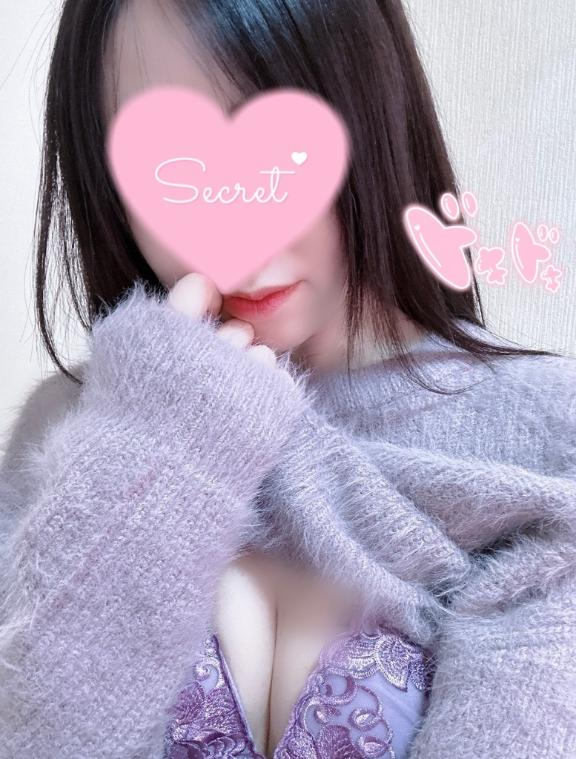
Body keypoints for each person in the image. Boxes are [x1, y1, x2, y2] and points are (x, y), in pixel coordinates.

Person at [1, 0, 575, 757]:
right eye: (174, 169)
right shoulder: (72, 426)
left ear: (372, 113)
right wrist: (156, 445)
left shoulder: (546, 436)